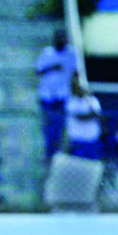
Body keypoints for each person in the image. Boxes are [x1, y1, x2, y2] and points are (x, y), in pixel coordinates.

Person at [36, 29, 76, 160]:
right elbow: (38, 70)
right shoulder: (47, 52)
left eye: (64, 38)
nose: (62, 40)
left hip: (61, 96)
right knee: (47, 128)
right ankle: (49, 155)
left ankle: (57, 156)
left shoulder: (71, 53)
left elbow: (75, 72)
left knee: (59, 127)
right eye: (60, 38)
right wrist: (52, 67)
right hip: (47, 96)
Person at [65, 73, 102, 160]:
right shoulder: (72, 101)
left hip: (91, 141)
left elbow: (98, 115)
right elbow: (80, 117)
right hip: (77, 141)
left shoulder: (93, 100)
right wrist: (92, 115)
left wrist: (88, 98)